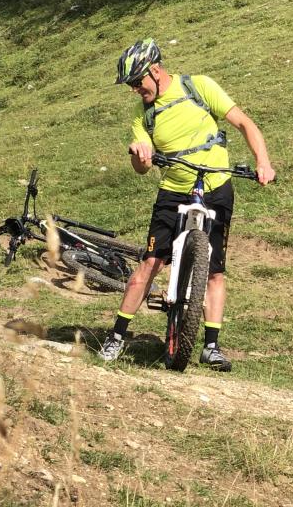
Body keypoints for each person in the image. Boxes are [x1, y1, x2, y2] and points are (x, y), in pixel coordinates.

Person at [98, 39, 275, 371]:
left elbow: (245, 124)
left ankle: (211, 345)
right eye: (131, 86)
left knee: (215, 272)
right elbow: (142, 168)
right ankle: (117, 337)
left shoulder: (199, 87)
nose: (135, 90)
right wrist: (141, 157)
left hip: (217, 186)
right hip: (173, 191)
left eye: (137, 82)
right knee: (150, 263)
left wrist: (262, 162)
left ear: (155, 70)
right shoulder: (144, 115)